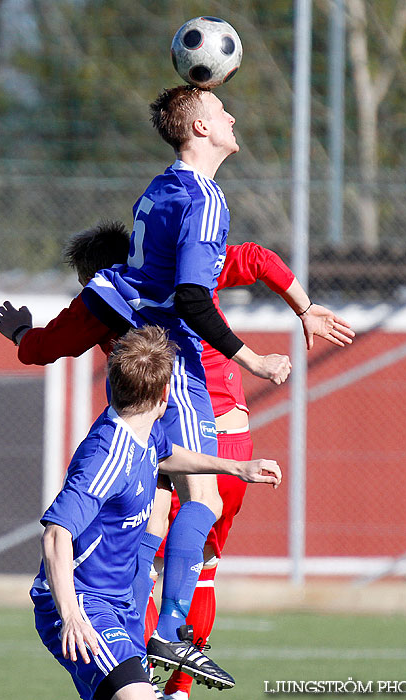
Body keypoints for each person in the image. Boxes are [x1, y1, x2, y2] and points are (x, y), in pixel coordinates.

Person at [0, 220, 354, 698]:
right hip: (225, 434)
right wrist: (303, 309)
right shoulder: (185, 265)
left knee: (151, 542)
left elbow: (42, 348)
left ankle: (160, 651)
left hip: (173, 422)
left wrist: (19, 333)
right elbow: (260, 259)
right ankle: (173, 684)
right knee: (195, 561)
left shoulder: (102, 297)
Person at [78, 86, 292, 683]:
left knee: (165, 506)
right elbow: (195, 299)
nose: (231, 115)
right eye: (221, 110)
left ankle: (147, 629)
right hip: (178, 362)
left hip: (153, 352)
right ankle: (168, 633)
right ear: (199, 128)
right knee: (202, 499)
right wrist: (253, 360)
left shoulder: (161, 187)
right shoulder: (203, 197)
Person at [30, 325, 282, 700]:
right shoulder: (105, 457)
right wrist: (71, 615)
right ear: (166, 397)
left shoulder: (144, 430)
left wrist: (235, 468)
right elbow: (55, 534)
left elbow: (168, 456)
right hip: (84, 603)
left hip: (120, 604)